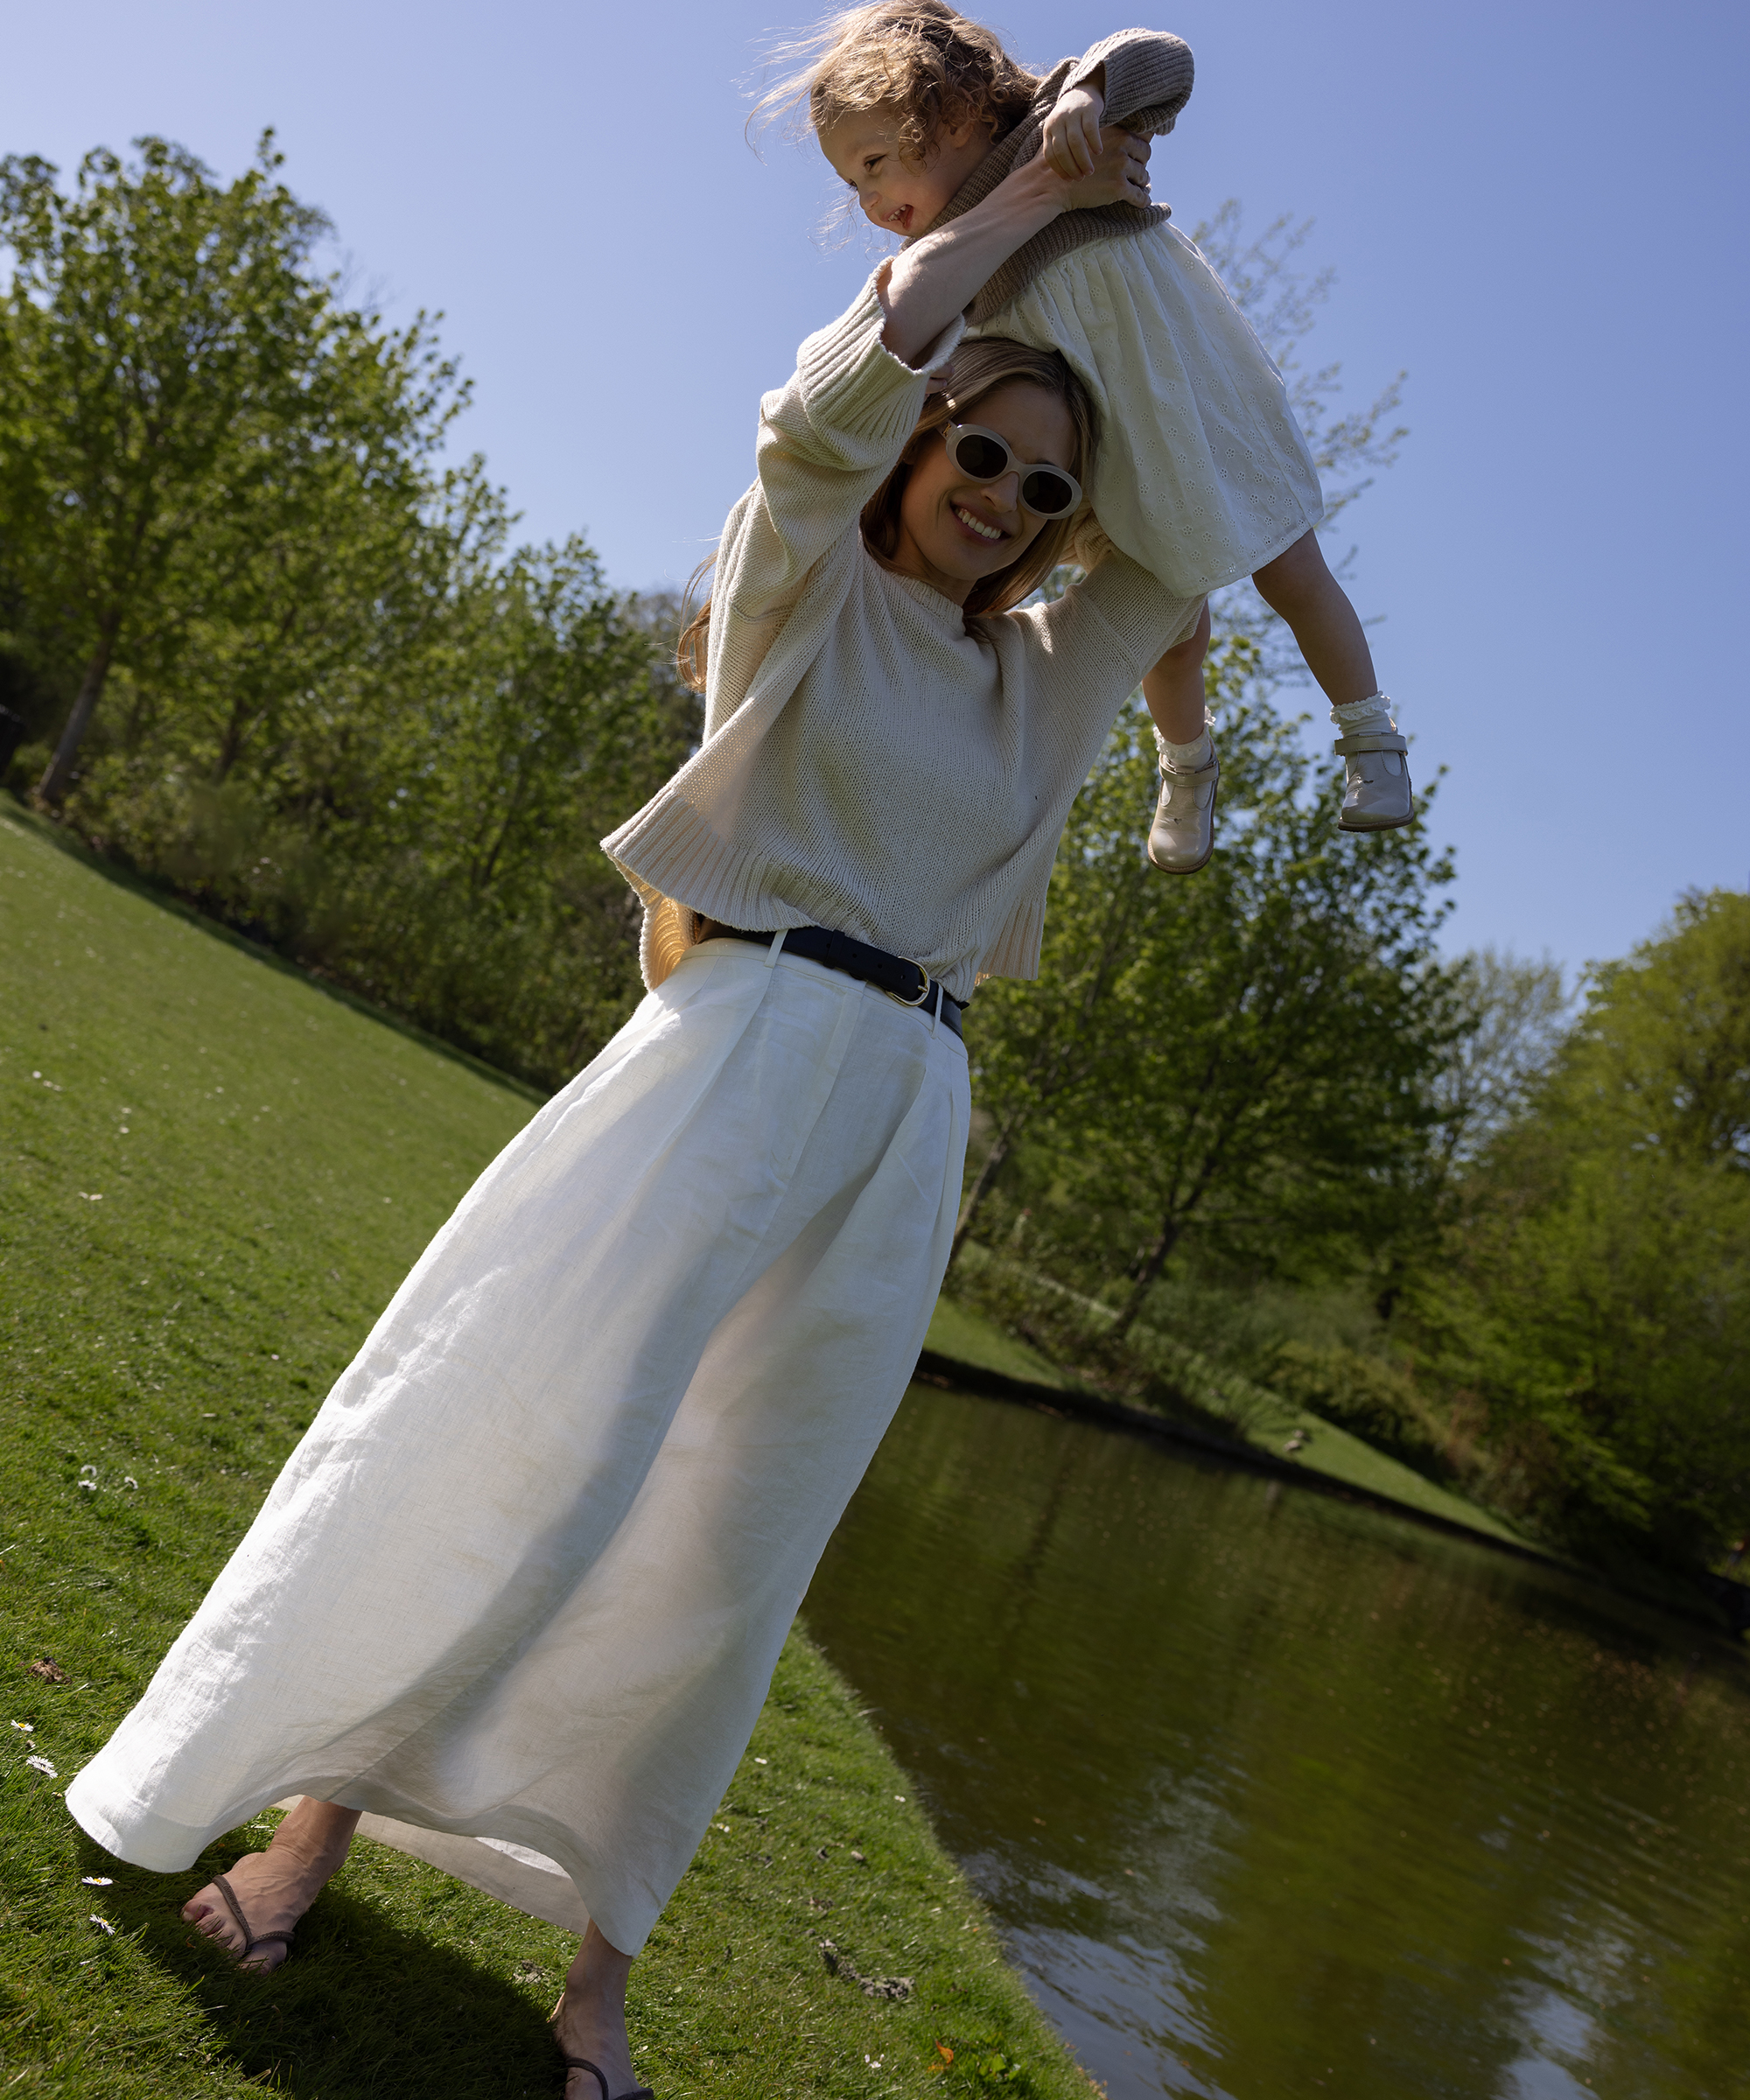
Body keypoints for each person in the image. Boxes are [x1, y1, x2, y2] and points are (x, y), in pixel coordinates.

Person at [65, 124, 1195, 2100]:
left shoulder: (1041, 683)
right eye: (978, 454)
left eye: (1040, 486)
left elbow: (1194, 527)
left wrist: (1141, 282)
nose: (1004, 500)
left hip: (906, 1111)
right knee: (538, 1446)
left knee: (726, 1552)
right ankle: (306, 1824)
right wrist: (1036, 203)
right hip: (740, 1047)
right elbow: (816, 411)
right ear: (926, 443)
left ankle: (598, 1974)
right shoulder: (800, 592)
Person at [766, 0, 1415, 873]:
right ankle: (1185, 765)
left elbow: (1162, 57)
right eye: (856, 187)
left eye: (876, 166)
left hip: (1183, 394)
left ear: (954, 113)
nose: (875, 203)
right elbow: (904, 352)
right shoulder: (957, 255)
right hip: (1103, 448)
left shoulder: (1052, 128)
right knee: (1169, 628)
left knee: (1291, 569)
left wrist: (1093, 92)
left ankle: (1369, 741)